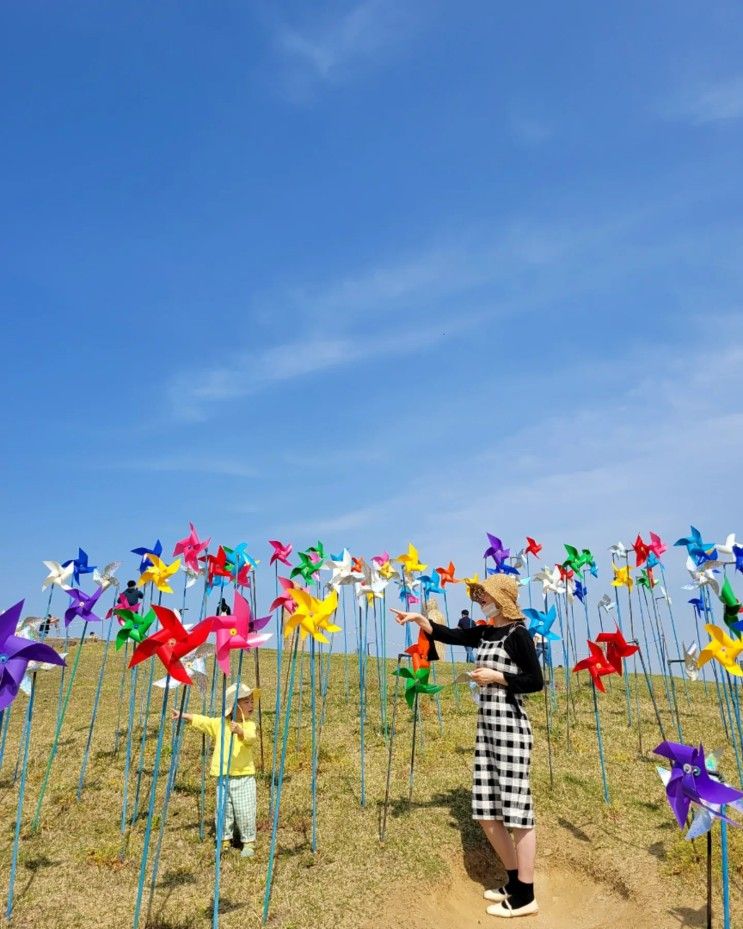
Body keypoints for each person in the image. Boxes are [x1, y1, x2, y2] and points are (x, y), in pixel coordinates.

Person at [392, 574, 543, 918]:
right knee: (487, 810)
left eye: (485, 597)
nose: (480, 602)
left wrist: (497, 677)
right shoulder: (487, 631)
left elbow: (535, 681)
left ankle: (527, 895)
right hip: (487, 729)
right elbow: (452, 635)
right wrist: (420, 620)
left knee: (517, 810)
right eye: (478, 598)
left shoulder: (518, 634)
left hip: (512, 729)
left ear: (501, 599)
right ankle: (515, 881)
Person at [174, 682, 258, 858]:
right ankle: (224, 840)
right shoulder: (220, 724)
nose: (251, 705)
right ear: (233, 706)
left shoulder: (249, 724)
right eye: (246, 702)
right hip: (223, 776)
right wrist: (185, 715)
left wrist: (241, 731)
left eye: (251, 701)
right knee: (223, 810)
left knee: (245, 811)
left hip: (243, 776)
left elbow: (251, 738)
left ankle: (248, 842)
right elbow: (204, 722)